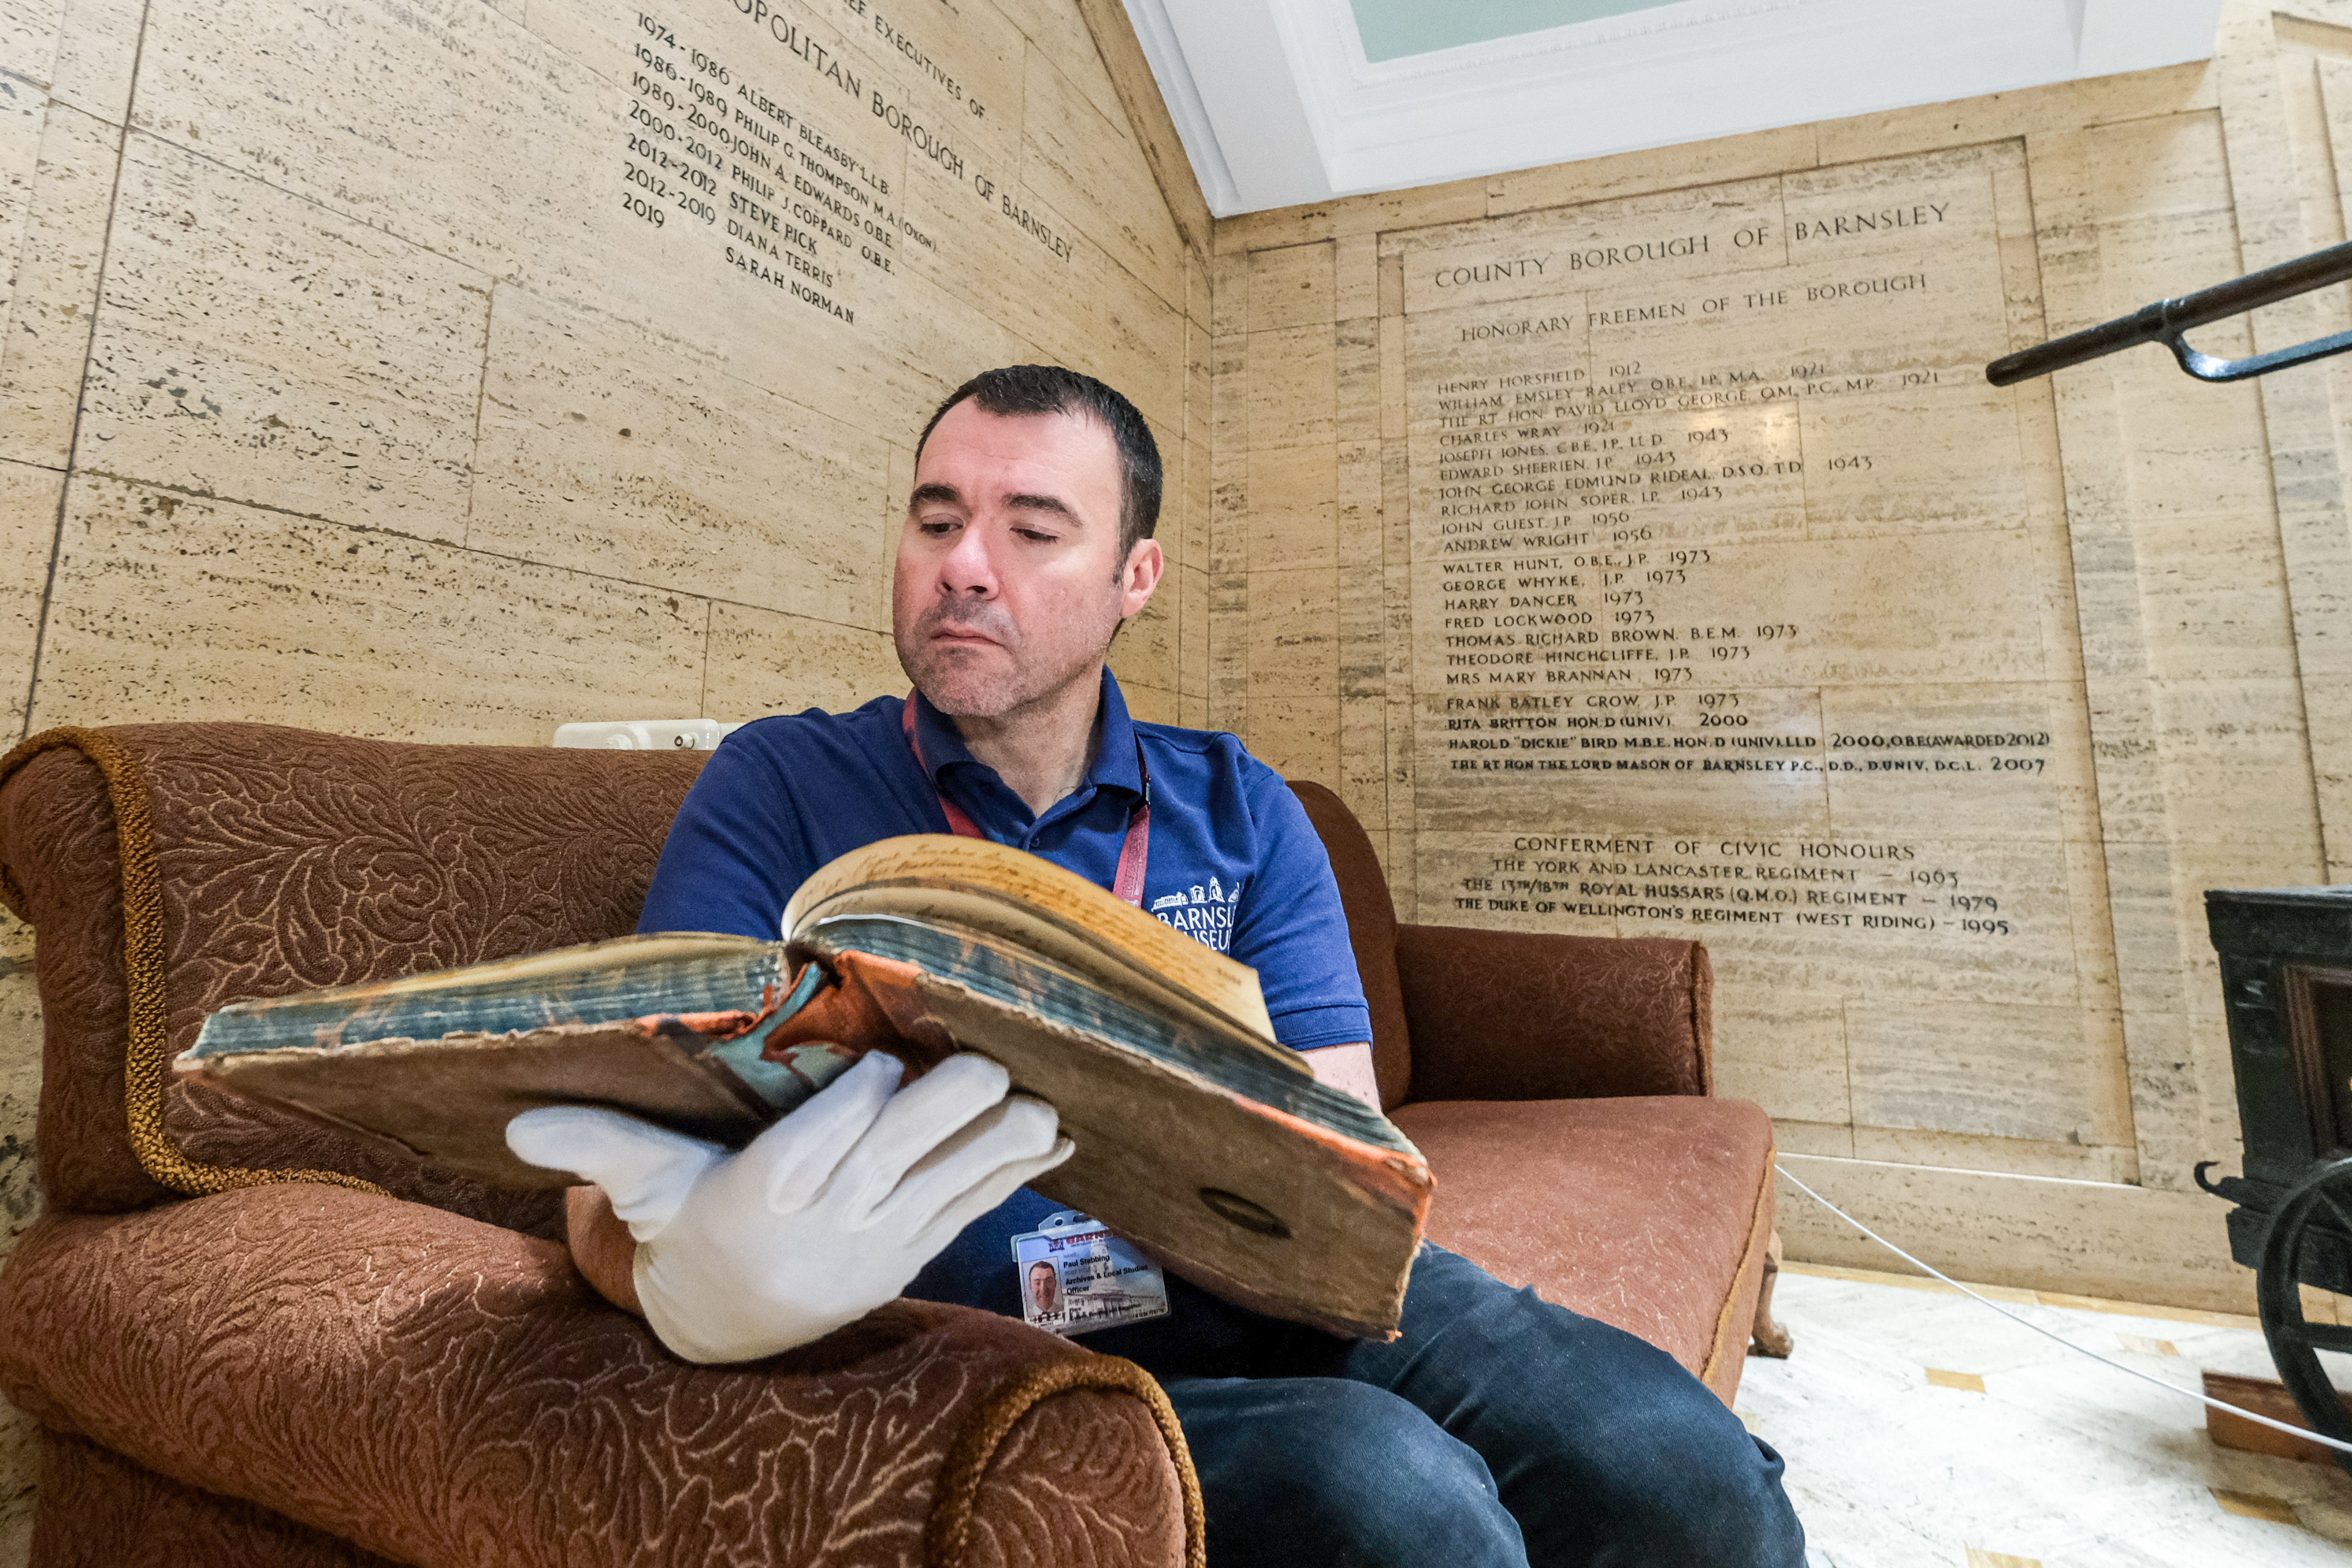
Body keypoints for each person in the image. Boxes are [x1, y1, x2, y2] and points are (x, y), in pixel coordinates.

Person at [507, 366, 1806, 1567]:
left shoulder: (1238, 804)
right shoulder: (782, 784)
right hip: (981, 1339)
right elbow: (617, 1181)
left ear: (1136, 575)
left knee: (1686, 1474)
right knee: (1394, 1503)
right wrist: (700, 1284)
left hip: (1280, 1287)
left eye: (1032, 529)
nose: (964, 566)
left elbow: (1346, 1144)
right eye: (936, 518)